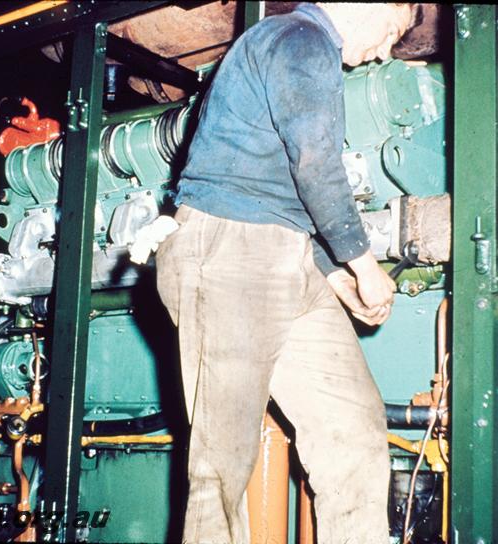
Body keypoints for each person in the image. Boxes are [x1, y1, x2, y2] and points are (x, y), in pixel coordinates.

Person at [155, 3, 418, 542]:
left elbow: (283, 184)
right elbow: (314, 162)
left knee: (354, 430)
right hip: (228, 247)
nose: (386, 52)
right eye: (390, 32)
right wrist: (363, 264)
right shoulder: (299, 38)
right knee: (221, 466)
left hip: (284, 253)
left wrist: (334, 273)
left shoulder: (303, 52)